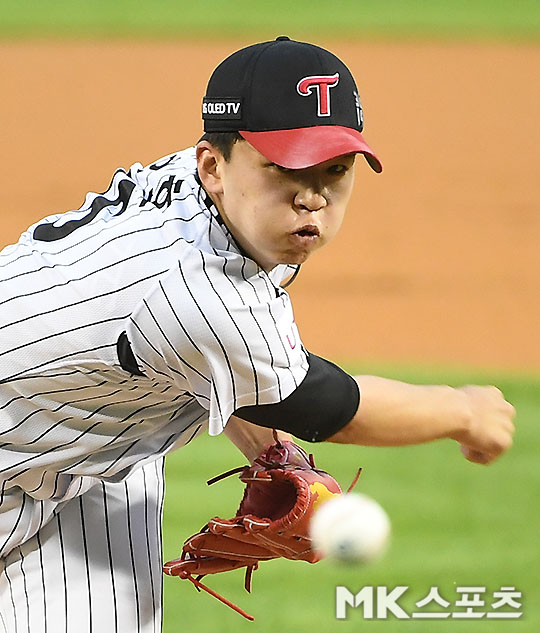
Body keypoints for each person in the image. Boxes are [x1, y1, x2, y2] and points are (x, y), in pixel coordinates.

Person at [0, 36, 515, 633]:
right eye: (286, 167)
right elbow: (327, 407)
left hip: (74, 441)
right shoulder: (194, 284)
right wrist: (463, 410)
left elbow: (219, 363)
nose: (312, 197)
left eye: (335, 170)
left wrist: (274, 453)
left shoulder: (221, 201)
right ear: (213, 165)